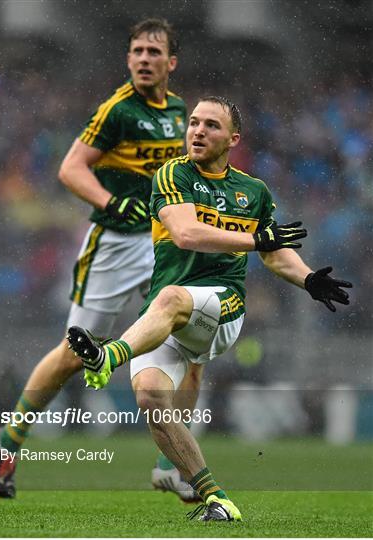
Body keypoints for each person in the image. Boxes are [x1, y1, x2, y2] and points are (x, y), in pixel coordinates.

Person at [67, 96, 352, 522]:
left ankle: (107, 355)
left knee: (170, 300)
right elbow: (185, 233)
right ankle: (215, 498)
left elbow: (275, 254)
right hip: (166, 315)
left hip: (223, 307)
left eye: (211, 126)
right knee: (149, 399)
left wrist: (308, 278)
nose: (198, 131)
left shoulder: (253, 191)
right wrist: (258, 241)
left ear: (233, 139)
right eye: (194, 123)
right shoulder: (172, 174)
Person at [0, 18, 201, 503]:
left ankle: (172, 464)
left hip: (162, 245)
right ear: (128, 60)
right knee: (71, 352)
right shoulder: (118, 110)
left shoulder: (179, 111)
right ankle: (11, 437)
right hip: (113, 245)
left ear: (171, 63)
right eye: (137, 51)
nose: (144, 59)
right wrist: (110, 203)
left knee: (192, 351)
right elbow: (70, 168)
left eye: (153, 51)